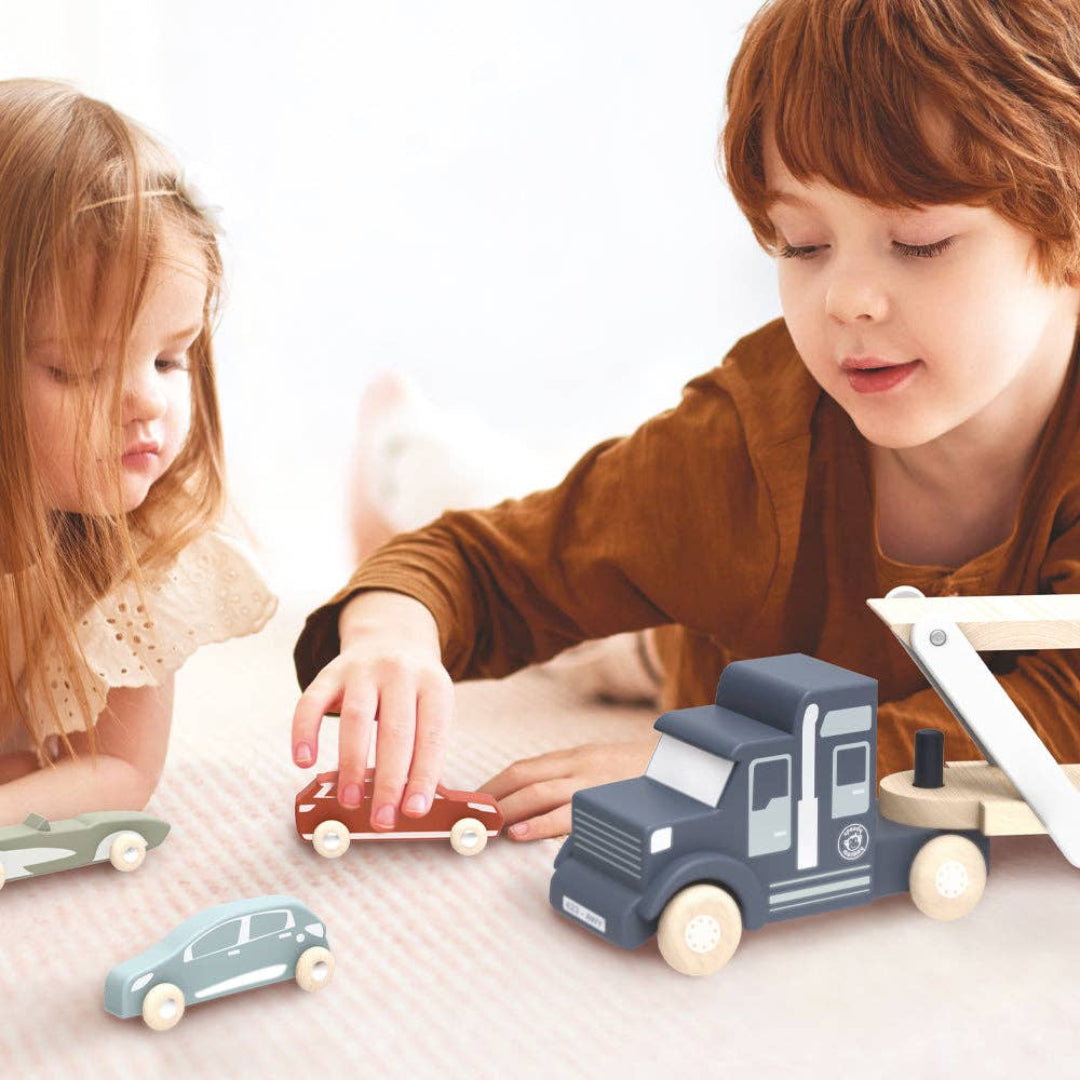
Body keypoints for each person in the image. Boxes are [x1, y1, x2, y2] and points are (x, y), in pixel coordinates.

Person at [293, 0, 1080, 842]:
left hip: (755, 640)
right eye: (802, 244)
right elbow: (485, 565)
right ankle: (400, 452)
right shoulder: (743, 446)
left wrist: (716, 763)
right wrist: (393, 628)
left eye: (920, 242)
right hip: (710, 621)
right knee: (595, 609)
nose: (847, 300)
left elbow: (1056, 722)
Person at [0, 80, 275, 824]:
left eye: (170, 359)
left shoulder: (148, 551)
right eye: (81, 369)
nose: (148, 403)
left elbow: (117, 770)